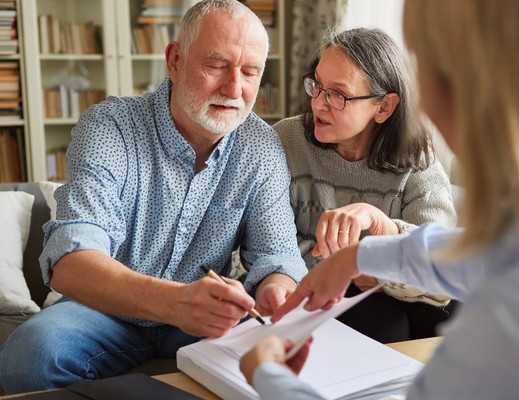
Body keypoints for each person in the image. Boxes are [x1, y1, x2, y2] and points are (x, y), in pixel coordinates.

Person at [240, 0, 519, 398]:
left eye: (430, 68)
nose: (422, 104)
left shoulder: (515, 320)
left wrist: (267, 375)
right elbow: (482, 251)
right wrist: (357, 257)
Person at [0, 0, 308, 394]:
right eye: (216, 65)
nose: (234, 89)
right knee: (29, 356)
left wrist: (277, 291)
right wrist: (176, 302)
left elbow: (277, 254)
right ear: (175, 60)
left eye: (250, 72)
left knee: (285, 364)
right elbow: (70, 263)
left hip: (205, 321)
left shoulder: (260, 146)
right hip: (104, 312)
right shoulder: (110, 126)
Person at [273, 27, 457, 343]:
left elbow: (443, 262)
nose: (318, 104)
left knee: (452, 315)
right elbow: (267, 245)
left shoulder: (416, 154)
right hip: (316, 288)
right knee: (385, 324)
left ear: (383, 107)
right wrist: (349, 264)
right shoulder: (284, 141)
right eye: (317, 86)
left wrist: (384, 235)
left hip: (395, 290)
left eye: (338, 95)